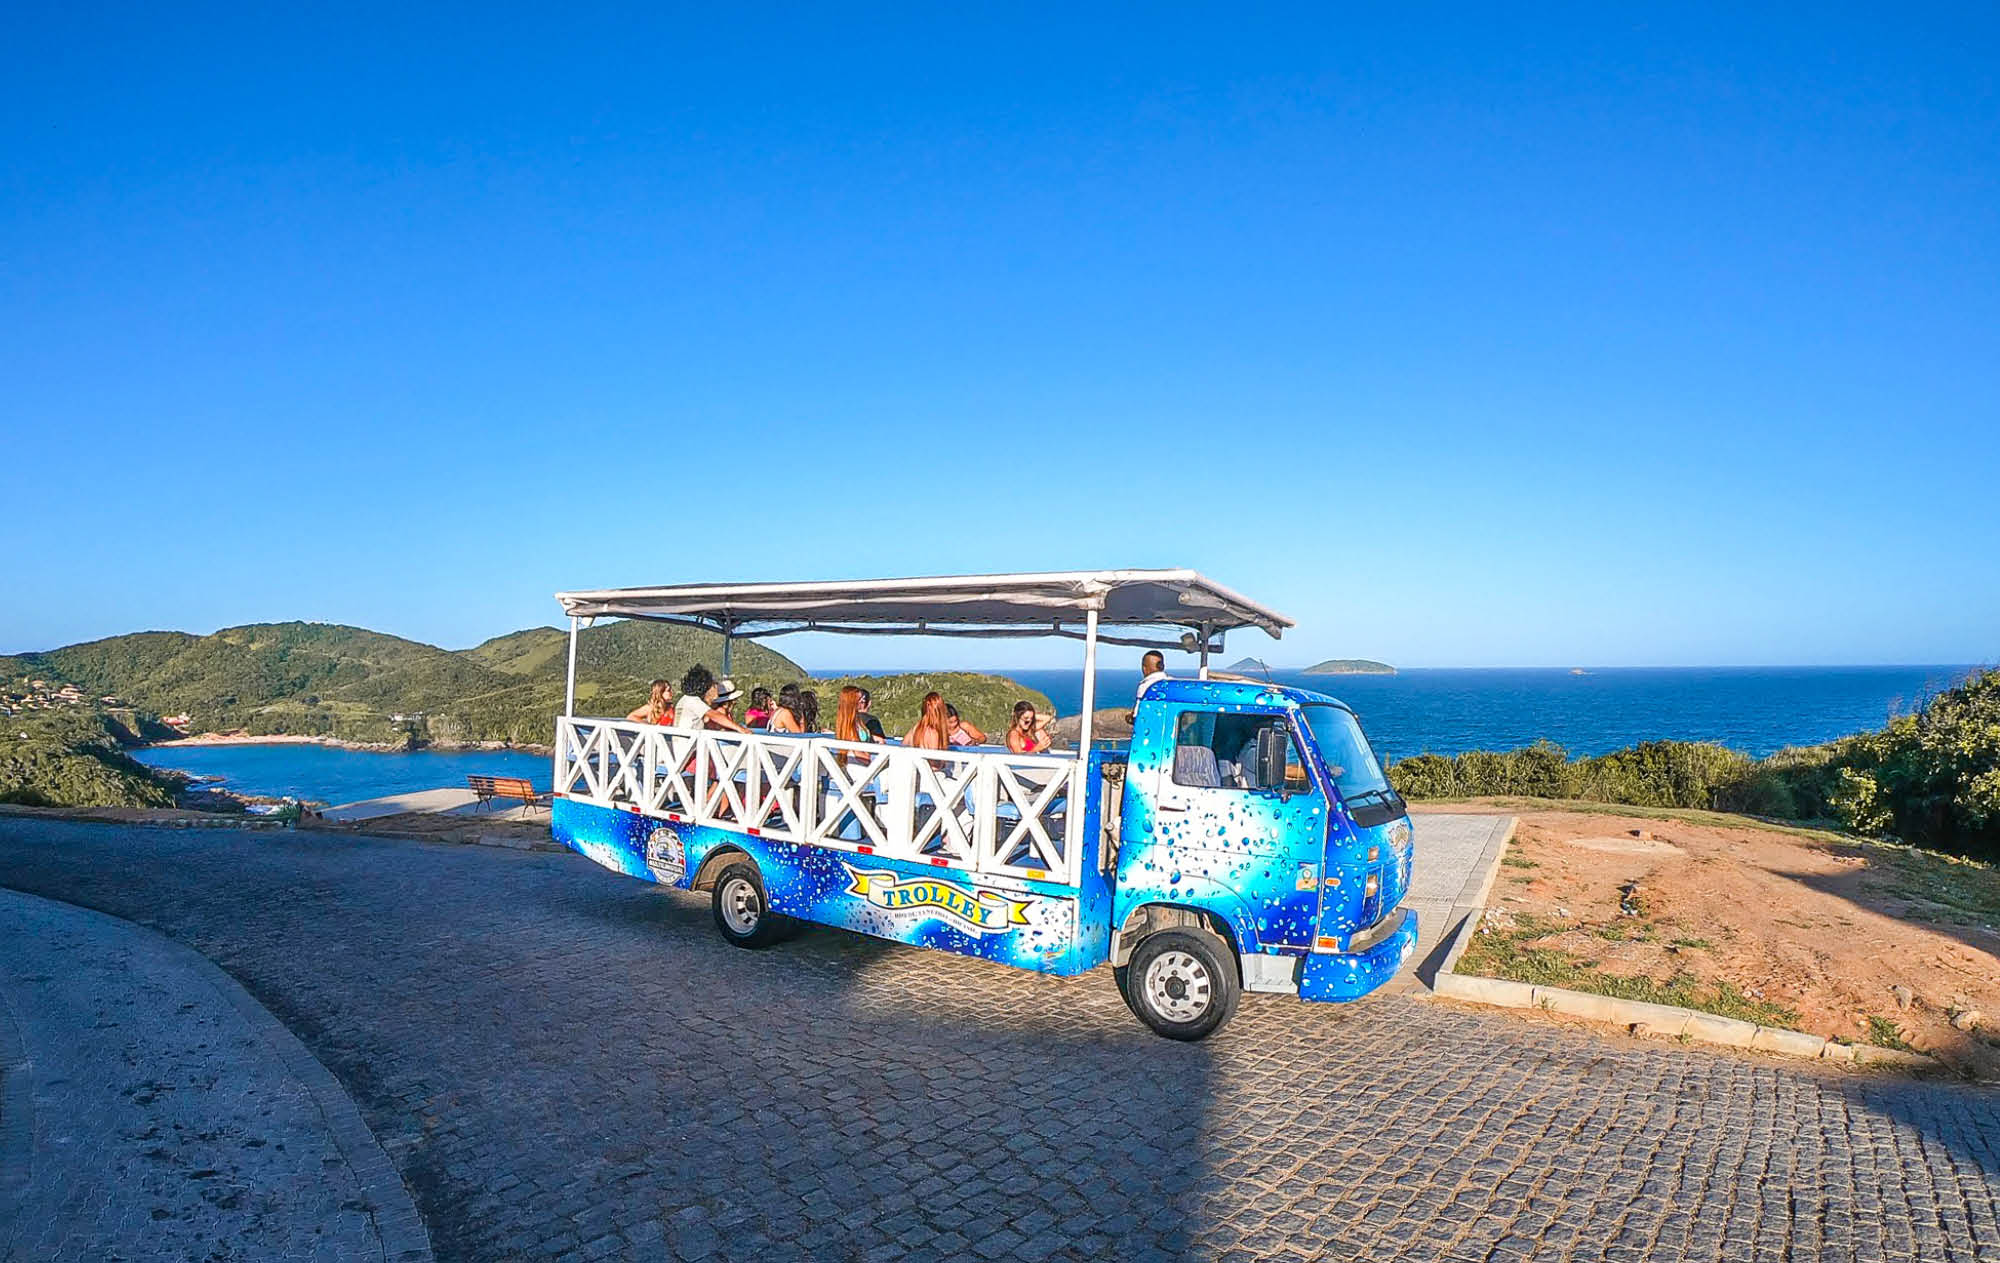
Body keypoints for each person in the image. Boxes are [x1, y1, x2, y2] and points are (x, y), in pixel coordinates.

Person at [674, 665, 749, 733]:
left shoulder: (686, 699)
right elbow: (715, 715)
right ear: (705, 687)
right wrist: (739, 728)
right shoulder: (693, 700)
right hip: (689, 746)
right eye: (713, 685)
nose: (716, 687)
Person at [1128, 650, 1168, 724]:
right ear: (1162, 666)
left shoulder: (1146, 686)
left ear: (1144, 668)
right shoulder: (1170, 683)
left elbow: (1137, 716)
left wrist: (1129, 718)